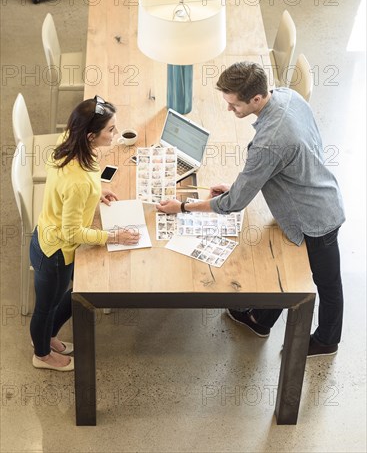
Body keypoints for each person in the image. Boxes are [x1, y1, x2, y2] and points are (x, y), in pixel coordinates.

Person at [157, 62, 345, 357]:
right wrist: (238, 186)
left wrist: (182, 206)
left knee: (326, 283)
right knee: (286, 271)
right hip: (319, 190)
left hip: (314, 217)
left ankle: (327, 340)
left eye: (234, 105)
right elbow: (280, 162)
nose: (230, 111)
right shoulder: (287, 96)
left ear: (256, 99)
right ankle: (261, 319)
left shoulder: (269, 142)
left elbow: (234, 205)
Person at [30, 95, 140, 371]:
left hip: (46, 234)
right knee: (47, 307)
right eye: (111, 130)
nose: (115, 134)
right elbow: (72, 232)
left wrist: (97, 191)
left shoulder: (69, 141)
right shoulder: (78, 182)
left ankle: (48, 338)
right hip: (55, 252)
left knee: (61, 299)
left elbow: (75, 183)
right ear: (91, 135)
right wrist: (112, 237)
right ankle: (41, 354)